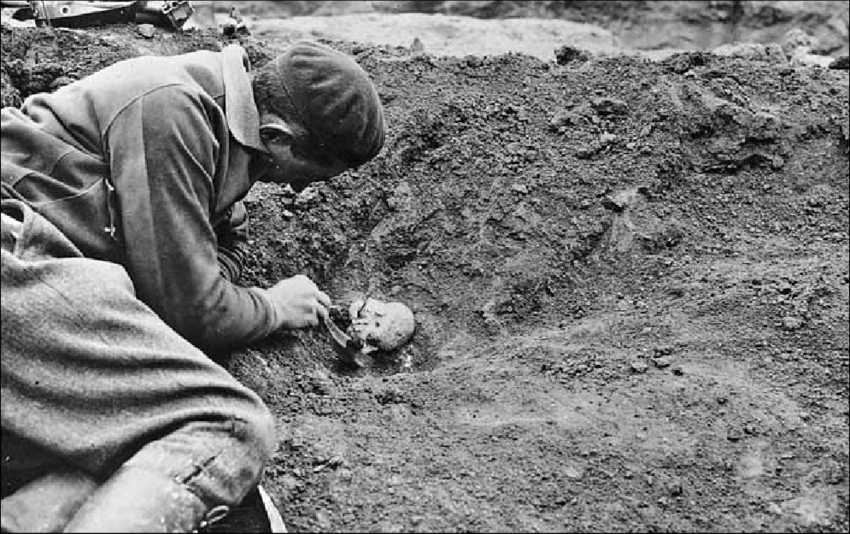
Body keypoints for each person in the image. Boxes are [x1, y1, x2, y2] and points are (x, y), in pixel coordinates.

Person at [0, 39, 385, 532]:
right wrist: (273, 307)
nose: (297, 189)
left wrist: (218, 242)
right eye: (307, 174)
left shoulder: (213, 124)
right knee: (230, 428)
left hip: (32, 297)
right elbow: (192, 312)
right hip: (17, 263)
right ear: (279, 137)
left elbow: (218, 252)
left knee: (119, 452)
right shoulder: (173, 108)